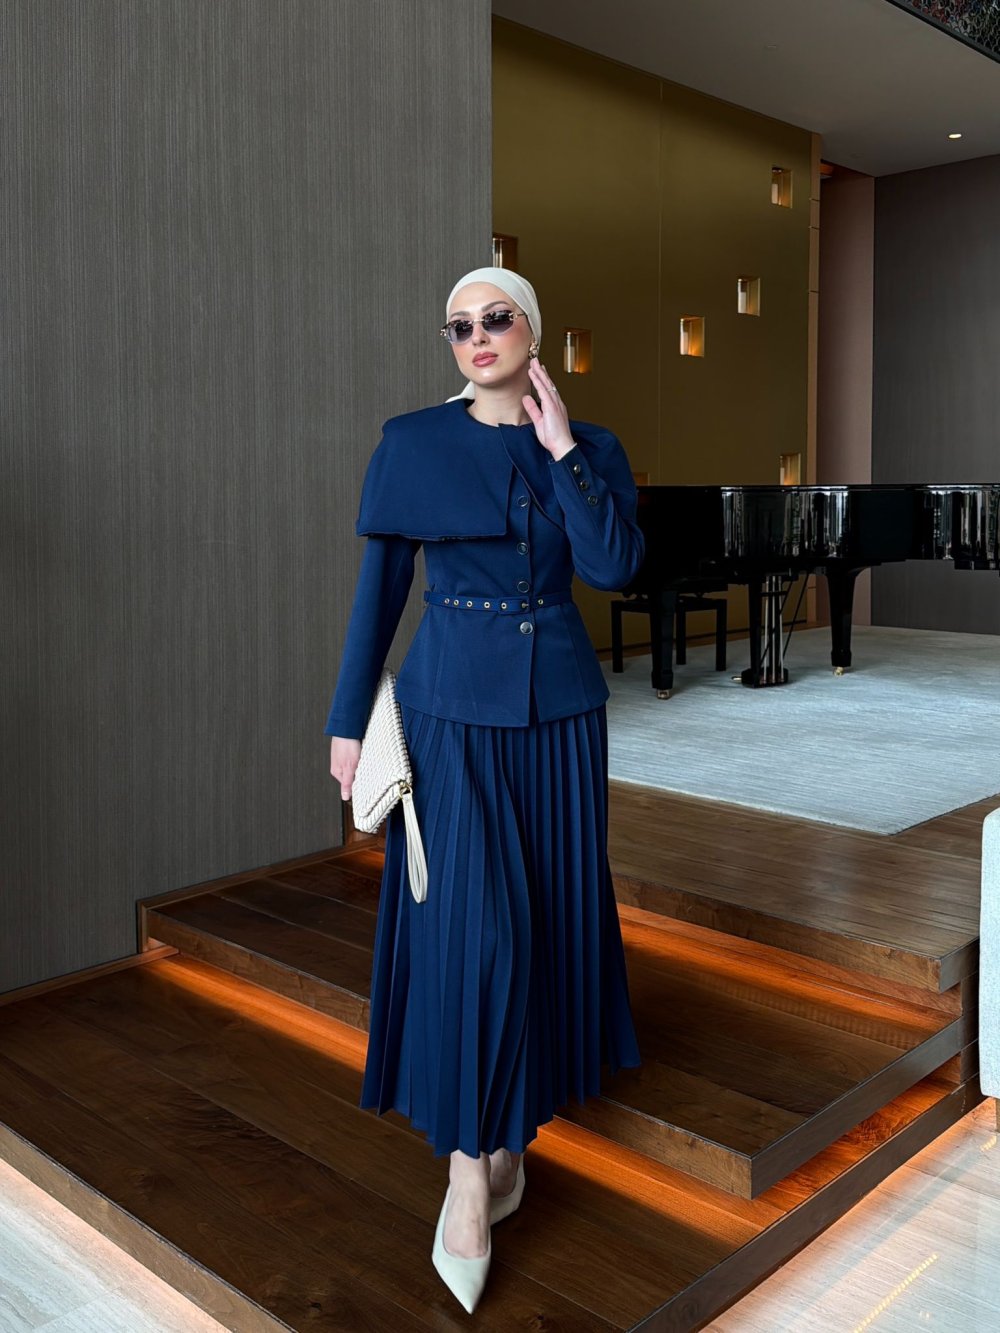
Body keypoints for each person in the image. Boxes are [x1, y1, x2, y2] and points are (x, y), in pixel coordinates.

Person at [326, 266, 644, 1313]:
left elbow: (612, 570)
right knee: (475, 934)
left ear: (532, 332)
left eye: (496, 318)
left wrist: (561, 453)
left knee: (543, 925)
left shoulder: (591, 448)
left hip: (561, 720)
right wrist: (344, 724)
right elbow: (379, 595)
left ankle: (511, 1143)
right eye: (459, 324)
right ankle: (469, 1172)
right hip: (448, 718)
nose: (477, 335)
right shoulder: (412, 442)